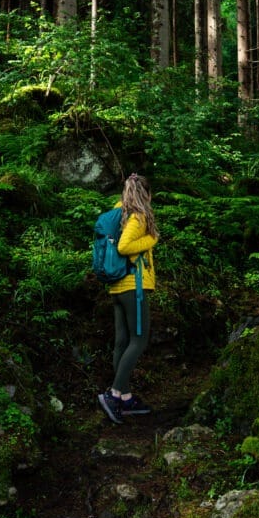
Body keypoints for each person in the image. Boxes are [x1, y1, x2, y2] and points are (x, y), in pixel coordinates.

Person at [98, 173, 159, 425]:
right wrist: (150, 240)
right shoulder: (138, 216)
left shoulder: (119, 212)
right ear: (146, 193)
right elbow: (124, 247)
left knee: (122, 341)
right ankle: (114, 394)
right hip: (133, 286)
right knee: (139, 339)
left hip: (117, 286)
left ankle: (124, 396)